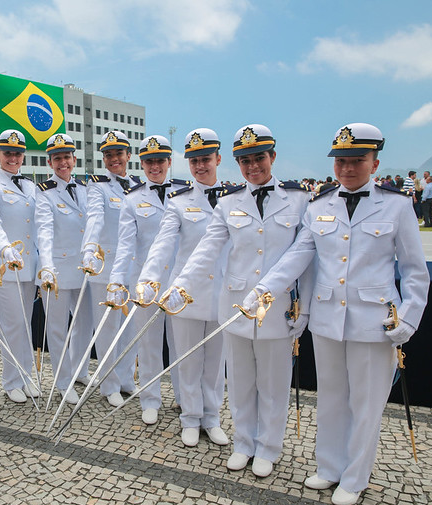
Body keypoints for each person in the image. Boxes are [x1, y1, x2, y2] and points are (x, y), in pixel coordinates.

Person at [244, 123, 429, 505]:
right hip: (328, 318)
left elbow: (414, 269)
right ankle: (328, 467)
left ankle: (355, 476)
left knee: (366, 403)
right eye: (341, 161)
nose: (347, 168)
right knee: (330, 397)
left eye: (356, 160)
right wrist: (265, 290)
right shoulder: (319, 205)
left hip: (373, 321)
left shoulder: (395, 205)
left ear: (374, 163)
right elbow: (300, 257)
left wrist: (409, 317)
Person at [168, 124, 311, 477]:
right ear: (236, 163)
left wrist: (302, 307)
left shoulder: (299, 200)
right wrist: (180, 285)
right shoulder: (230, 202)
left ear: (272, 157)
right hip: (234, 307)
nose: (252, 166)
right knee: (241, 381)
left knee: (274, 384)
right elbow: (207, 249)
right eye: (244, 160)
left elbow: (306, 258)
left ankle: (269, 447)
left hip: (275, 309)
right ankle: (244, 442)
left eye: (258, 158)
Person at [138, 128, 229, 447]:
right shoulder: (178, 202)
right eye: (194, 161)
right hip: (185, 294)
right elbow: (162, 245)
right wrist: (148, 279)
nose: (200, 166)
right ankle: (190, 418)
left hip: (222, 294)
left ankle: (212, 417)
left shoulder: (235, 199)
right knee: (188, 360)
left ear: (218, 158)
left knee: (216, 364)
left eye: (205, 159)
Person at [109, 135, 176, 426]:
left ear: (169, 162)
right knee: (148, 346)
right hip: (144, 284)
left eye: (160, 160)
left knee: (179, 345)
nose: (155, 166)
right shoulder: (132, 199)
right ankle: (150, 399)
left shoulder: (184, 195)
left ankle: (187, 401)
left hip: (177, 282)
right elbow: (125, 245)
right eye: (149, 161)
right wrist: (116, 280)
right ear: (142, 164)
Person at [0, 129, 40, 403]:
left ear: (22, 155)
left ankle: (25, 375)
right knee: (12, 324)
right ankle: (11, 380)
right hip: (4, 267)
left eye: (17, 153)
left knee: (25, 323)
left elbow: (36, 228)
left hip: (28, 266)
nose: (12, 158)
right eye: (7, 153)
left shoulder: (30, 186)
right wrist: (5, 250)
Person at [81, 131, 141, 407]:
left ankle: (127, 379)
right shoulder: (98, 187)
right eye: (108, 155)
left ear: (129, 156)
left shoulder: (141, 186)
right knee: (108, 330)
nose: (114, 159)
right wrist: (90, 249)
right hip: (106, 271)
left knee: (130, 328)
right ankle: (109, 384)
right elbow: (94, 218)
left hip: (135, 269)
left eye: (118, 153)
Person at [36, 133, 91, 404]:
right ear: (50, 162)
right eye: (57, 158)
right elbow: (43, 231)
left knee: (84, 324)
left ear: (74, 159)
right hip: (56, 271)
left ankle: (80, 370)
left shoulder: (85, 188)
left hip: (84, 270)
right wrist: (46, 266)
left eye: (66, 157)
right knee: (58, 329)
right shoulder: (44, 192)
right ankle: (63, 380)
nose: (63, 163)